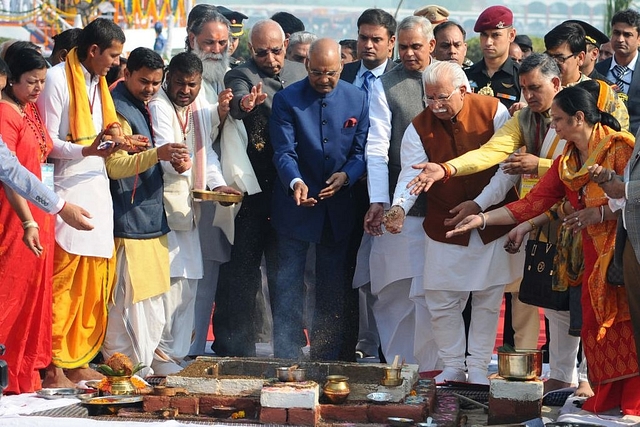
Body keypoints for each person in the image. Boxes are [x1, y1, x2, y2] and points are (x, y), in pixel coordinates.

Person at [447, 85, 640, 417]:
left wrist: (601, 213)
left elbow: (630, 199)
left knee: (621, 321)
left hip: (622, 249)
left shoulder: (618, 148)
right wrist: (482, 219)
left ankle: (633, 400)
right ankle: (606, 396)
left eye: (559, 120)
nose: (554, 128)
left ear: (580, 118)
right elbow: (533, 202)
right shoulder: (567, 160)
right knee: (593, 323)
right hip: (588, 250)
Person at [384, 61, 522, 384]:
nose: (435, 105)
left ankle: (476, 368)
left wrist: (479, 205)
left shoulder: (493, 111)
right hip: (445, 224)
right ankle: (453, 366)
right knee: (441, 299)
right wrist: (399, 208)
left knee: (488, 299)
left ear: (463, 90)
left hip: (491, 221)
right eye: (429, 98)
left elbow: (507, 168)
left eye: (442, 97)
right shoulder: (419, 126)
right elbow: (412, 174)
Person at [37, 18, 129, 388]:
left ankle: (78, 361)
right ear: (93, 51)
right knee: (66, 282)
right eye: (113, 56)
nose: (116, 64)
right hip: (66, 190)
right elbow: (47, 143)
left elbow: (102, 135)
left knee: (93, 282)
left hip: (96, 186)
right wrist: (86, 149)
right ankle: (53, 365)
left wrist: (120, 142)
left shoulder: (97, 82)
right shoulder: (58, 80)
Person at [213, 19, 307, 357]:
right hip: (253, 190)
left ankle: (290, 345)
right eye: (262, 52)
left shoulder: (301, 71)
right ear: (252, 51)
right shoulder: (242, 74)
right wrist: (245, 105)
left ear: (286, 46)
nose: (271, 58)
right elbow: (238, 102)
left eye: (277, 50)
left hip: (290, 190)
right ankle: (234, 347)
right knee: (241, 271)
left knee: (287, 272)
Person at [269, 38, 367, 360]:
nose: (324, 80)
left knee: (332, 285)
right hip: (296, 205)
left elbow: (360, 151)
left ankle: (327, 356)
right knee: (288, 284)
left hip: (337, 207)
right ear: (306, 67)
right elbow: (284, 151)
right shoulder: (287, 99)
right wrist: (295, 181)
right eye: (316, 73)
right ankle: (287, 353)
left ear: (342, 66)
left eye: (331, 73)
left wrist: (347, 175)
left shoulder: (357, 98)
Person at [148, 52, 240, 373]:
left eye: (192, 84)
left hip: (189, 210)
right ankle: (158, 357)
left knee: (189, 284)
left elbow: (206, 155)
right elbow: (165, 150)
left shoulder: (199, 105)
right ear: (169, 77)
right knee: (170, 283)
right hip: (161, 208)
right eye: (180, 83)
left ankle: (176, 355)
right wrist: (181, 166)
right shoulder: (159, 105)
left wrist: (217, 187)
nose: (186, 90)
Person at [102, 47, 189, 376]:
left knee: (153, 304)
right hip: (129, 220)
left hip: (151, 217)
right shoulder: (117, 111)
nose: (151, 89)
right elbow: (115, 167)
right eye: (144, 82)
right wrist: (158, 154)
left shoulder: (144, 105)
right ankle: (127, 372)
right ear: (126, 74)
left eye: (156, 82)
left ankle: (147, 362)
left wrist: (172, 158)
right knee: (129, 307)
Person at [363, 15, 439, 371]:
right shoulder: (386, 84)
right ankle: (396, 369)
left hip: (444, 206)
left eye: (416, 47)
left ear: (432, 47)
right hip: (399, 206)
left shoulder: (453, 79)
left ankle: (434, 373)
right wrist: (379, 200)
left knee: (434, 295)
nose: (409, 54)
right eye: (404, 47)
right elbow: (377, 149)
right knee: (393, 291)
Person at [0, 48, 61, 394]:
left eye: (42, 80)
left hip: (39, 212)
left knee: (33, 295)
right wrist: (27, 221)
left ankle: (23, 372)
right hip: (14, 215)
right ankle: (5, 371)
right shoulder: (5, 113)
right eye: (31, 81)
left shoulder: (29, 109)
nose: (38, 87)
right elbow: (8, 172)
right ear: (12, 80)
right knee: (9, 290)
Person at [339, 7, 397, 362]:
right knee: (345, 271)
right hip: (345, 189)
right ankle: (349, 345)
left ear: (391, 43)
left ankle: (391, 349)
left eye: (377, 39)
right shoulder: (341, 75)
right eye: (363, 37)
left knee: (386, 274)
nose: (368, 45)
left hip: (388, 191)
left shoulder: (404, 79)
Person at [595, 9, 640, 135]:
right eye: (616, 33)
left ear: (639, 39)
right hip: (603, 143)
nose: (620, 39)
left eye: (627, 35)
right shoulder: (598, 70)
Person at [466, 6, 520, 109]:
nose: (488, 42)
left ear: (511, 35)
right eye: (484, 35)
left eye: (495, 35)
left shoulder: (521, 77)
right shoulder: (466, 75)